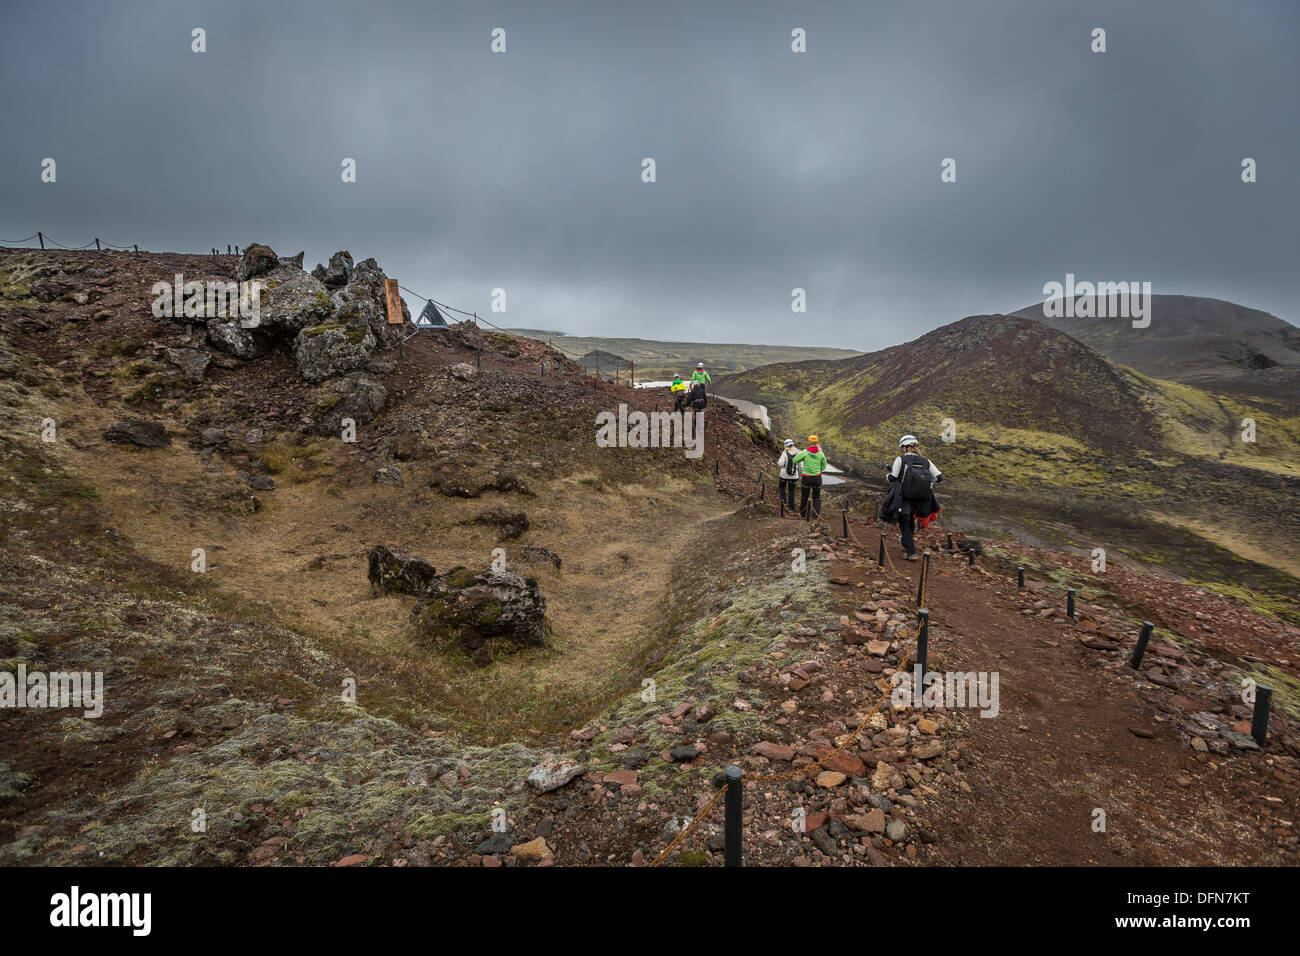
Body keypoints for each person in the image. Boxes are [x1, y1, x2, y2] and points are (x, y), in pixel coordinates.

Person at [881, 435, 942, 560]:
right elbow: (939, 477)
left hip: (903, 497)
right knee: (910, 521)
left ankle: (912, 552)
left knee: (904, 522)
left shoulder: (900, 459)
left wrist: (888, 475)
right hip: (921, 499)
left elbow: (892, 478)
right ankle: (906, 543)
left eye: (902, 447)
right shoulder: (926, 461)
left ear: (904, 447)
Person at [792, 434, 827, 519]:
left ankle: (803, 514)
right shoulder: (821, 453)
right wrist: (819, 470)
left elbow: (795, 460)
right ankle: (815, 516)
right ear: (817, 442)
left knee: (804, 496)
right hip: (817, 478)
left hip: (806, 478)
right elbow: (824, 465)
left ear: (809, 442)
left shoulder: (805, 452)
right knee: (816, 497)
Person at [776, 438, 802, 512]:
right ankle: (791, 508)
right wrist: (799, 474)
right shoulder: (797, 453)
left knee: (782, 488)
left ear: (785, 445)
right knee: (791, 491)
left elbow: (780, 464)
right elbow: (800, 466)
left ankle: (783, 504)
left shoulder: (784, 453)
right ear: (793, 444)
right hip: (794, 476)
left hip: (783, 475)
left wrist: (783, 467)